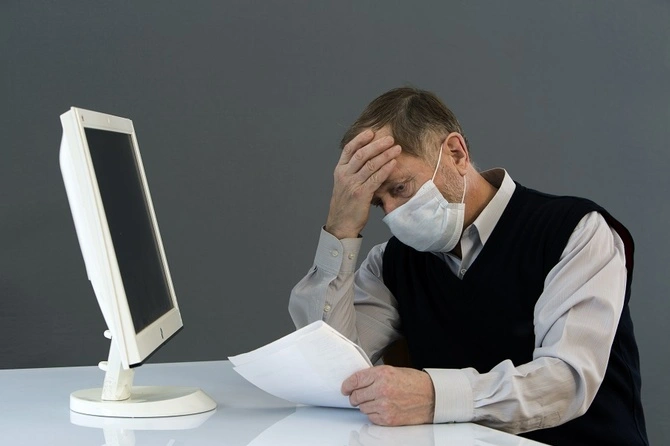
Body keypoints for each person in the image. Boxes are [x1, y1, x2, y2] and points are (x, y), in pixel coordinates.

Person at [288, 87, 648, 445]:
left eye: (399, 188)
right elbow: (331, 366)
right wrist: (341, 228)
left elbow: (566, 381)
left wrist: (435, 397)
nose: (393, 213)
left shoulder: (574, 231)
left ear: (456, 154)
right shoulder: (391, 263)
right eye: (379, 203)